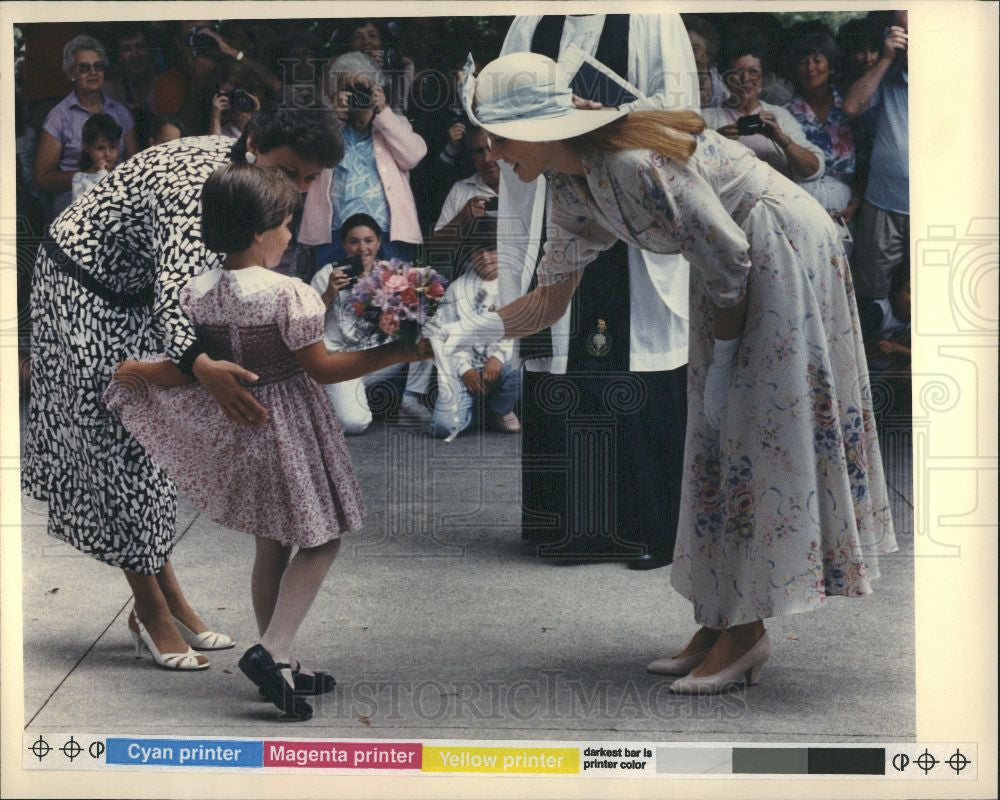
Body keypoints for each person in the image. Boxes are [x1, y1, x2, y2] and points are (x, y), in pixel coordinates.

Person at [434, 51, 896, 693]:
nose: (492, 151)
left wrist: (727, 365)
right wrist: (468, 330)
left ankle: (746, 632)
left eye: (501, 136)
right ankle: (720, 621)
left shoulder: (633, 163)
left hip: (781, 253)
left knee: (753, 439)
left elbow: (731, 261)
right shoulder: (569, 185)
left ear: (545, 129)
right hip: (729, 276)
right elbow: (552, 297)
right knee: (716, 447)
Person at [22, 105, 342, 674]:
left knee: (150, 446)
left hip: (136, 292)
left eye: (309, 179)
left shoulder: (246, 179)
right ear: (252, 142)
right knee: (121, 439)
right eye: (291, 171)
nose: (297, 187)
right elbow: (181, 294)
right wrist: (201, 366)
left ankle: (168, 596)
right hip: (82, 283)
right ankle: (150, 610)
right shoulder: (203, 189)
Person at [105, 164, 430, 719]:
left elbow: (195, 367)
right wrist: (400, 351)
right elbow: (322, 368)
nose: (290, 234)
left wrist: (133, 374)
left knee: (271, 543)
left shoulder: (199, 291)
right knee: (322, 539)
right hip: (292, 425)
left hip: (244, 428)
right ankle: (273, 649)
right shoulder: (288, 293)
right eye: (286, 224)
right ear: (260, 232)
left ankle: (276, 664)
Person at [496, 13, 696, 569]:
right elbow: (504, 96)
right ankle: (571, 527)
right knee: (560, 354)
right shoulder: (531, 17)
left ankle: (650, 526)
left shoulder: (652, 13)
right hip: (557, 200)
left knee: (636, 357)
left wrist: (604, 114)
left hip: (631, 200)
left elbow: (680, 109)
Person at [300, 51, 426, 272]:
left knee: (391, 296)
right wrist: (334, 119)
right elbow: (309, 162)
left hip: (388, 232)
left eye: (362, 86)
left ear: (377, 88)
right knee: (335, 297)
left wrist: (383, 112)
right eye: (348, 88)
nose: (356, 93)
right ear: (336, 93)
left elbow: (413, 157)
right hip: (335, 233)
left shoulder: (395, 123)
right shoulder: (324, 127)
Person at [310, 214, 435, 430]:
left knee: (430, 331)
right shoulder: (327, 274)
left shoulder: (390, 272)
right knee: (354, 424)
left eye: (368, 240)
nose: (362, 248)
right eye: (354, 241)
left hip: (377, 356)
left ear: (378, 242)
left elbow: (417, 311)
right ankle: (329, 397)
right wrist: (329, 293)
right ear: (344, 244)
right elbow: (306, 325)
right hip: (339, 361)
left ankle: (410, 396)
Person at [844, 11, 909, 309]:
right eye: (903, 31)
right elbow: (852, 107)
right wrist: (885, 59)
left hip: (941, 204)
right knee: (872, 292)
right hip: (885, 201)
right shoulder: (887, 75)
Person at [34, 34, 137, 218]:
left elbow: (136, 164)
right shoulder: (59, 117)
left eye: (98, 66)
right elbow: (42, 179)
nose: (93, 72)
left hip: (117, 192)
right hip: (73, 195)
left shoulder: (120, 111)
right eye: (84, 68)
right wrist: (87, 175)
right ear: (70, 73)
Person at [701, 35, 823, 182]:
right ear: (725, 77)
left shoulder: (780, 115)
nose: (745, 79)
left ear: (762, 79)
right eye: (737, 72)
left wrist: (782, 139)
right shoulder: (707, 118)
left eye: (753, 72)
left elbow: (813, 171)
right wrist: (713, 144)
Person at [784, 31, 860, 223]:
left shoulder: (849, 108)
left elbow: (867, 159)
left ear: (831, 66)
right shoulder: (786, 113)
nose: (810, 68)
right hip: (801, 208)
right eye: (803, 62)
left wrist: (857, 203)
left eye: (817, 60)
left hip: (846, 209)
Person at [70, 112, 121, 200]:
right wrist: (102, 173)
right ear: (87, 147)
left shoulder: (122, 174)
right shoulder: (80, 179)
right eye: (100, 148)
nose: (107, 154)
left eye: (112, 147)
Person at [682, 15, 728, 109]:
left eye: (694, 50)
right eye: (683, 50)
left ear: (709, 52)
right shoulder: (674, 83)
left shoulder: (724, 85)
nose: (688, 56)